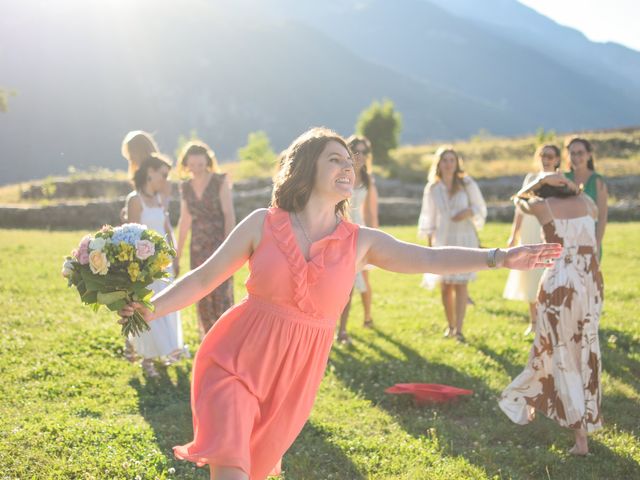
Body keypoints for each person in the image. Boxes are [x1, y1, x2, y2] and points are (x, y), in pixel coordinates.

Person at [118, 127, 561, 480]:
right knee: (231, 464)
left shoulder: (360, 243)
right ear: (307, 168)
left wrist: (499, 257)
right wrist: (150, 309)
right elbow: (204, 277)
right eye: (335, 159)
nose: (347, 167)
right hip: (233, 360)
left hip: (293, 379)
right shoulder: (261, 224)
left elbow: (428, 257)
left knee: (249, 470)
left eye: (350, 161)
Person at [499, 174, 604, 456]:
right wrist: (567, 185)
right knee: (576, 351)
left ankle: (577, 435)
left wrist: (542, 180)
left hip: (562, 284)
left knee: (558, 350)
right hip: (588, 282)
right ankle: (538, 401)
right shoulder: (585, 202)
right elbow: (520, 201)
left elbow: (519, 197)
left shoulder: (541, 205)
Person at [124, 153, 185, 377]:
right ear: (150, 172)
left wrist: (175, 256)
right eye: (163, 175)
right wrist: (142, 265)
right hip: (145, 265)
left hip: (164, 264)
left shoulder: (159, 199)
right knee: (147, 308)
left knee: (166, 307)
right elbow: (132, 236)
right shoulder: (135, 200)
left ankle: (167, 351)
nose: (166, 180)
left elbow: (167, 229)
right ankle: (147, 359)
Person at [418, 146, 487, 341]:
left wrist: (468, 212)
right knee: (446, 284)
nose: (448, 164)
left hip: (464, 237)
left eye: (452, 160)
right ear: (438, 163)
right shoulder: (433, 188)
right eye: (445, 160)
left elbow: (480, 206)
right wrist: (430, 246)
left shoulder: (466, 183)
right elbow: (428, 218)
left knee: (461, 283)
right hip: (443, 238)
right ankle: (450, 325)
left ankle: (459, 329)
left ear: (457, 163)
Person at [176, 141, 235, 338]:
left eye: (200, 165)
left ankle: (226, 336)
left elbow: (229, 214)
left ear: (207, 163)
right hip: (198, 246)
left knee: (222, 292)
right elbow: (184, 221)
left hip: (220, 243)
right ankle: (208, 337)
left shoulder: (220, 181)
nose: (196, 170)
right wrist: (177, 255)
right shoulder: (185, 187)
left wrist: (229, 247)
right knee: (200, 291)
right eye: (192, 166)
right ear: (186, 165)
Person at [504, 144, 561, 335]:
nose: (546, 159)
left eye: (550, 156)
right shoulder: (530, 178)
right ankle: (534, 321)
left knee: (550, 273)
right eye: (543, 155)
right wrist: (514, 234)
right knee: (531, 273)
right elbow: (520, 207)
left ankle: (551, 319)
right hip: (530, 228)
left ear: (557, 159)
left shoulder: (560, 182)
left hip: (548, 228)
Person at [336, 135, 379, 344]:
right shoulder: (342, 173)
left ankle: (368, 316)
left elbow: (371, 212)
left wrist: (374, 237)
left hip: (361, 231)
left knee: (364, 281)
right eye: (356, 150)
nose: (360, 155)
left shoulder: (369, 179)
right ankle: (342, 330)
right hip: (341, 228)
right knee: (348, 283)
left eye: (364, 151)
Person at [564, 137, 608, 259]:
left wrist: (597, 244)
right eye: (572, 153)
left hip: (589, 239)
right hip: (565, 240)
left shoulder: (597, 181)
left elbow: (602, 216)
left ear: (589, 155)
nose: (576, 157)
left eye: (580, 153)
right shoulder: (563, 179)